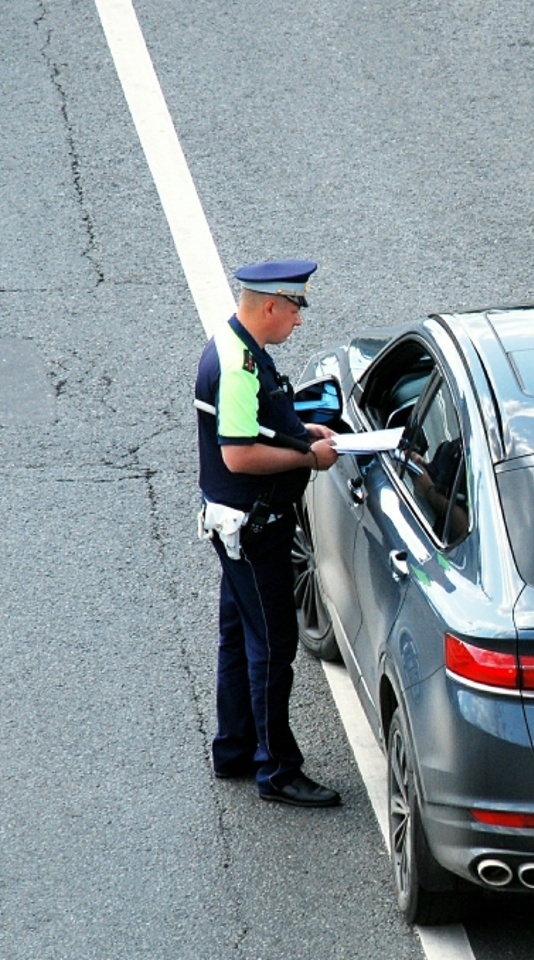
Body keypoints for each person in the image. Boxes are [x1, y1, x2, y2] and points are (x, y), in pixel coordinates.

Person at [194, 259, 342, 807]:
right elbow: (239, 454)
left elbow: (254, 422)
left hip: (238, 528)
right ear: (273, 305)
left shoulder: (236, 347)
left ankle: (233, 749)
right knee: (274, 648)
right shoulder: (237, 366)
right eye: (297, 308)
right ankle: (277, 770)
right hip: (255, 532)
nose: (299, 321)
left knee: (238, 639)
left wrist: (301, 429)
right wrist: (311, 455)